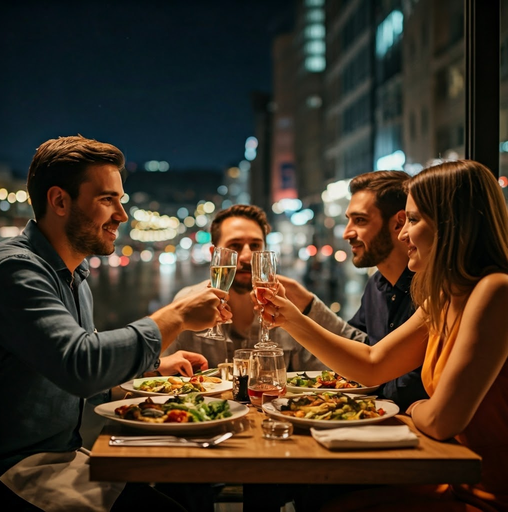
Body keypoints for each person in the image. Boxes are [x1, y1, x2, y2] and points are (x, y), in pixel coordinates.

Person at [0, 135, 231, 511]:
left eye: (120, 200)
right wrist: (177, 315)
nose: (121, 215)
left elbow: (59, 374)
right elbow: (79, 365)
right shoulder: (15, 270)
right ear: (59, 201)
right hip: (15, 470)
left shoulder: (74, 275)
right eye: (108, 200)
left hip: (58, 459)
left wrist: (149, 372)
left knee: (185, 497)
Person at [262, 160, 508, 512]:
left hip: (489, 495)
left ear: (451, 225)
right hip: (454, 482)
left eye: (413, 220)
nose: (403, 234)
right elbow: (372, 364)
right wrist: (290, 317)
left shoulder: (495, 290)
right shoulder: (442, 297)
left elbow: (440, 422)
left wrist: (416, 408)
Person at [163, 204, 367, 372]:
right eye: (234, 246)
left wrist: (310, 304)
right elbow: (156, 369)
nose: (245, 257)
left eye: (255, 246)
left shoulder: (287, 305)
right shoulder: (188, 302)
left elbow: (338, 369)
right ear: (214, 254)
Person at [343, 171, 429, 411]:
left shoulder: (434, 290)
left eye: (359, 221)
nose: (346, 233)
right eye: (348, 220)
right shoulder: (375, 285)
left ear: (398, 222)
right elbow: (352, 344)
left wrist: (298, 314)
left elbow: (374, 368)